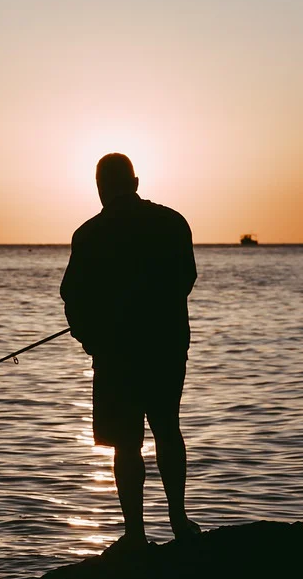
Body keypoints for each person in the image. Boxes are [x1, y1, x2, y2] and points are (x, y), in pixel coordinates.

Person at [60, 153, 200, 548]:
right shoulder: (172, 222)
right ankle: (179, 521)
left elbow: (72, 297)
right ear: (135, 182)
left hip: (115, 354)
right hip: (166, 346)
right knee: (167, 429)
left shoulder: (88, 234)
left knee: (126, 443)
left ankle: (135, 535)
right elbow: (185, 279)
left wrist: (92, 340)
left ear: (100, 187)